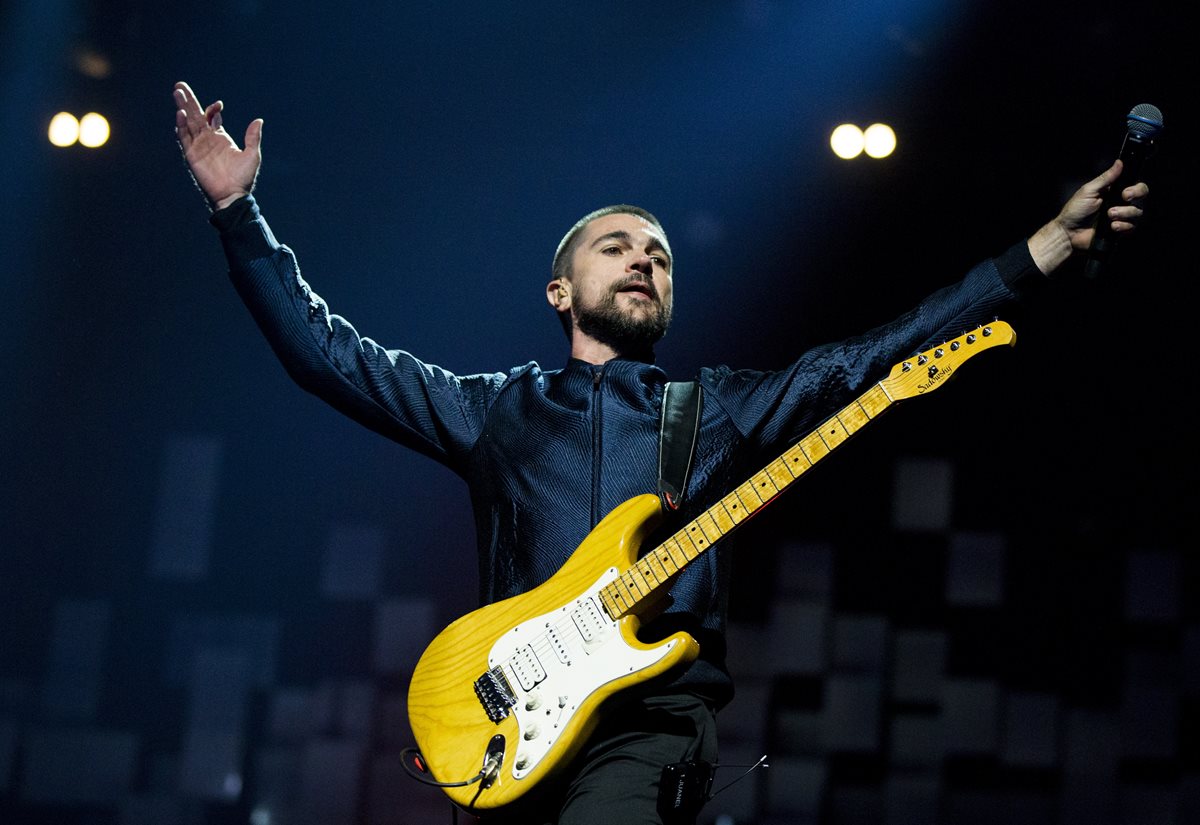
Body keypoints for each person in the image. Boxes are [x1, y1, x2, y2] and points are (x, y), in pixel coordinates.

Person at [172, 80, 1148, 824]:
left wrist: (1034, 260)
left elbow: (868, 361)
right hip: (509, 718)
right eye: (617, 246)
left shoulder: (714, 411)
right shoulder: (494, 410)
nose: (644, 257)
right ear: (560, 291)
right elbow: (328, 357)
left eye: (660, 254)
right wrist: (237, 216)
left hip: (650, 727)